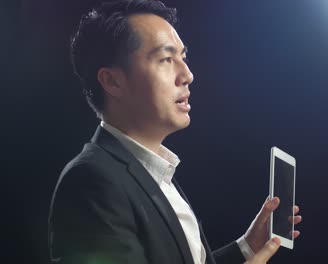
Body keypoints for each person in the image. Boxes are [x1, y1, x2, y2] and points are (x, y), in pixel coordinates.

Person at [48, 1, 302, 263]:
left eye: (183, 57)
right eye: (166, 59)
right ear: (112, 81)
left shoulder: (157, 173)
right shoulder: (91, 182)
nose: (187, 74)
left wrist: (246, 247)